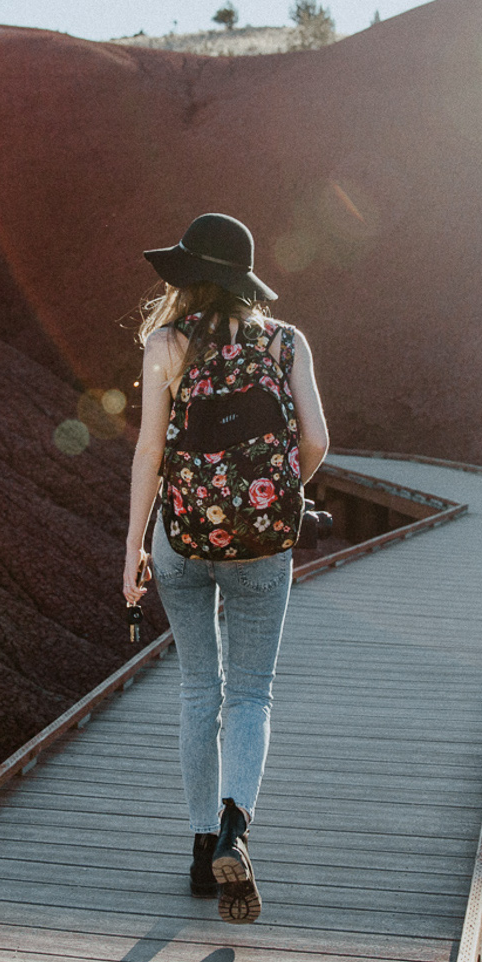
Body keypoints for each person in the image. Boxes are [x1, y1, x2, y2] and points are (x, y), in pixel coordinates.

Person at [122, 213, 328, 923]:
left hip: (180, 541)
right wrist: (274, 496)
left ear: (188, 277)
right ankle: (236, 830)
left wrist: (133, 550)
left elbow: (150, 452)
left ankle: (200, 847)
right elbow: (316, 439)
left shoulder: (166, 344)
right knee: (250, 693)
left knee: (196, 692)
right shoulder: (286, 341)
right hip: (264, 545)